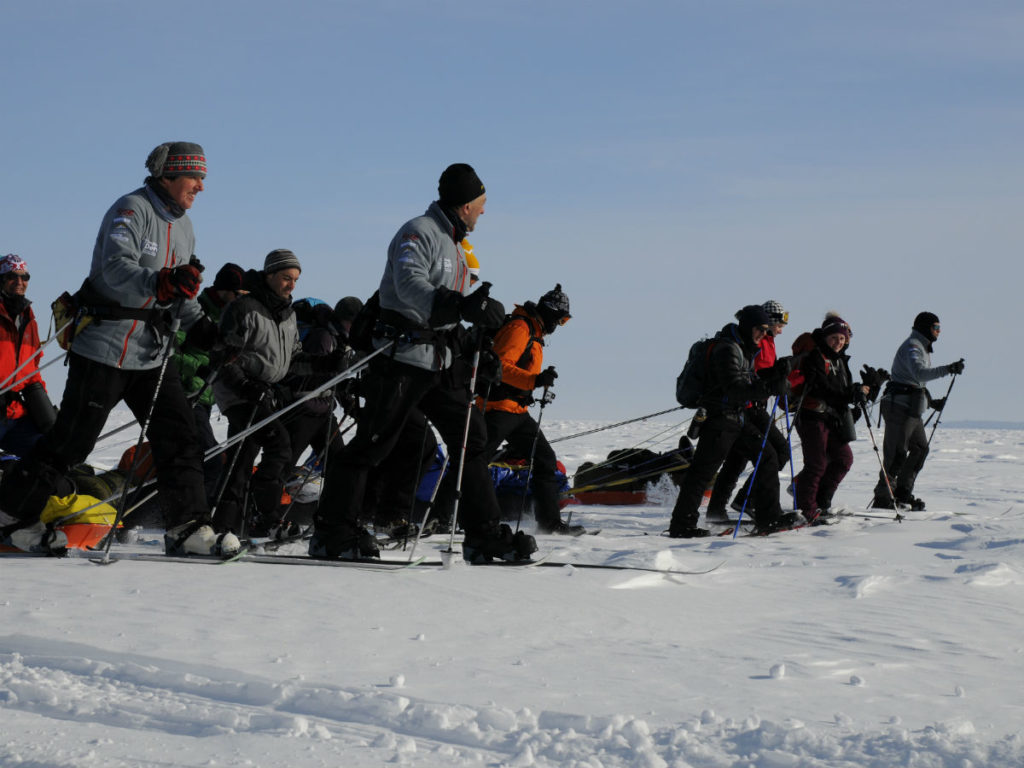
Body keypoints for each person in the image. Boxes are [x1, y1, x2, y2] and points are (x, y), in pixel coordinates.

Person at [0, 141, 240, 557]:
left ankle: (187, 527)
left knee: (181, 437)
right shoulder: (130, 209)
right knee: (71, 442)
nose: (200, 186)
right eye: (194, 177)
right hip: (105, 348)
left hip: (150, 355)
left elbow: (181, 291)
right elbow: (114, 269)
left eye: (202, 178)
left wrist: (204, 330)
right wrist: (160, 282)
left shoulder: (184, 227)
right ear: (169, 175)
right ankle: (12, 515)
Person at [311, 163, 537, 563]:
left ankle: (482, 536)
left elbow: (453, 312)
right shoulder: (418, 232)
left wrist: (476, 346)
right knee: (373, 445)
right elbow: (409, 284)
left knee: (472, 441)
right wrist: (460, 304)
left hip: (440, 361)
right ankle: (332, 533)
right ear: (466, 204)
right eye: (482, 204)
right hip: (401, 358)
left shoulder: (456, 245)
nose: (484, 212)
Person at [667, 305, 797, 537]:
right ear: (748, 326)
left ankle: (769, 518)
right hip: (720, 419)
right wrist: (769, 386)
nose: (763, 334)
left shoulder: (742, 347)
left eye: (766, 330)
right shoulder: (728, 348)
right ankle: (682, 525)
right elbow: (735, 388)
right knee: (702, 473)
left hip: (736, 418)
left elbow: (747, 380)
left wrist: (774, 374)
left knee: (768, 457)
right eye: (760, 329)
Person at [211, 250, 302, 536]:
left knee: (241, 457)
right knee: (279, 446)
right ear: (270, 275)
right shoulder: (244, 307)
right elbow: (222, 355)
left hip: (265, 393)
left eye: (296, 280)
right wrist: (246, 386)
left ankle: (225, 524)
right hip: (240, 393)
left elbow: (295, 358)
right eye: (286, 278)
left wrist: (329, 364)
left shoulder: (288, 313)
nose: (291, 285)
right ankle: (267, 517)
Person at [481, 283, 583, 535]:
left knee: (545, 459)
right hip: (498, 408)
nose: (558, 326)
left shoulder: (533, 332)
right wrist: (535, 381)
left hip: (516, 411)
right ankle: (446, 515)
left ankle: (549, 523)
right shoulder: (519, 328)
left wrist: (536, 382)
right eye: (560, 320)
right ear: (549, 312)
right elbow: (500, 366)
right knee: (475, 462)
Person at [705, 299, 791, 522]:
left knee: (737, 459)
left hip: (753, 406)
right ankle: (748, 500)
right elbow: (755, 374)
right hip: (750, 406)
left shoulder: (767, 341)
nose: (781, 329)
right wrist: (777, 376)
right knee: (776, 452)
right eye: (780, 323)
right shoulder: (758, 341)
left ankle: (720, 507)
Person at [872, 312, 964, 510]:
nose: (939, 332)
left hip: (911, 408)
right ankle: (883, 497)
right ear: (925, 327)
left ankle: (902, 493)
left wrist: (930, 402)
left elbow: (914, 382)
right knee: (896, 453)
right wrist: (948, 369)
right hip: (898, 407)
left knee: (920, 449)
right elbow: (919, 373)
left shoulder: (921, 347)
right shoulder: (913, 346)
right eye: (936, 327)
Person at [790, 313, 878, 522]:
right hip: (812, 416)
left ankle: (822, 502)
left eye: (842, 338)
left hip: (830, 418)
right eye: (834, 338)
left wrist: (868, 388)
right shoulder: (816, 357)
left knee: (843, 459)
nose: (838, 342)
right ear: (825, 338)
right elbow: (824, 388)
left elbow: (843, 391)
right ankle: (807, 509)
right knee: (817, 464)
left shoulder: (839, 360)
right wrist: (852, 393)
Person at [171, 261, 246, 496]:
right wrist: (201, 368)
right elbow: (171, 353)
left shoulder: (230, 317)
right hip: (184, 394)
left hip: (203, 398)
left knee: (203, 457)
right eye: (237, 294)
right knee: (210, 458)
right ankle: (195, 513)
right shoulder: (194, 311)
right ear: (223, 289)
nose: (240, 300)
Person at [0, 254, 57, 457]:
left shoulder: (28, 319)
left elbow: (32, 370)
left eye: (25, 277)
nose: (19, 282)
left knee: (51, 454)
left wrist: (45, 411)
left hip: (16, 415)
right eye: (11, 277)